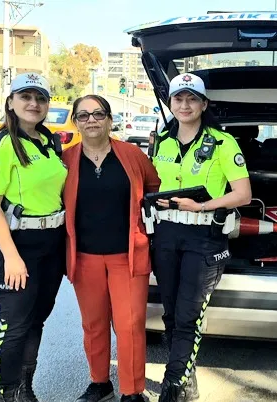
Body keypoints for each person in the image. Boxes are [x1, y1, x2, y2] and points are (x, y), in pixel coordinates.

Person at [150, 73, 252, 402]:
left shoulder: (223, 143)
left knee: (187, 316)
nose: (185, 105)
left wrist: (203, 205)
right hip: (166, 234)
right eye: (178, 98)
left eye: (192, 99)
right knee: (170, 314)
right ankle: (187, 379)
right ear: (170, 103)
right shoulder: (160, 141)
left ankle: (173, 387)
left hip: (204, 236)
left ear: (204, 104)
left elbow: (243, 194)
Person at [62, 95, 160, 402]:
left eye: (98, 113)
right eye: (83, 115)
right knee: (93, 324)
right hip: (84, 257)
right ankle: (99, 382)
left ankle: (132, 390)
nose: (91, 120)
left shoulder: (132, 155)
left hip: (127, 256)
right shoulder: (65, 160)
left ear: (109, 119)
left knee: (130, 325)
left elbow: (154, 187)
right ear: (76, 122)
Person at [0, 73, 67, 402]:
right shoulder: (0, 145)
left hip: (52, 241)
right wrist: (11, 258)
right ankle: (7, 392)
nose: (33, 104)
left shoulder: (48, 141)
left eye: (40, 98)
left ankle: (25, 387)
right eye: (25, 96)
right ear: (11, 102)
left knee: (37, 318)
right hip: (17, 243)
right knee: (14, 323)